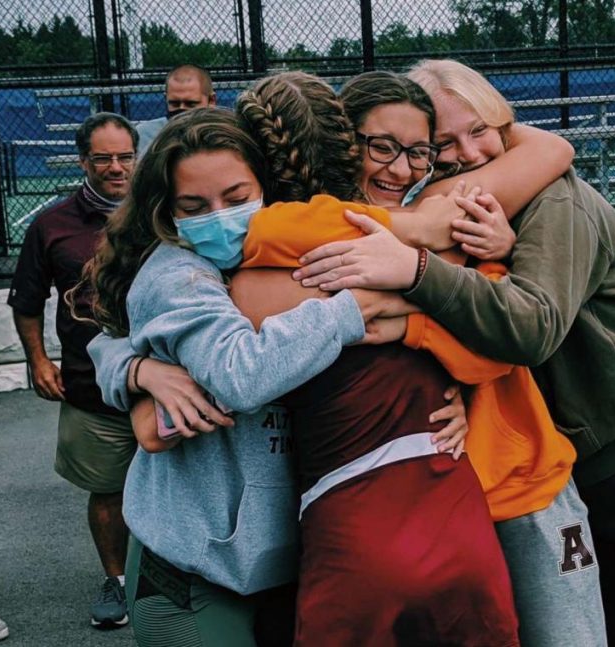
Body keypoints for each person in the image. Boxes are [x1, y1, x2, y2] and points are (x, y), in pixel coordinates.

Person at [294, 58, 615, 647]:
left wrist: (415, 272)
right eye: (445, 143)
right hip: (575, 460)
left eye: (479, 130)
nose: (469, 152)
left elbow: (529, 328)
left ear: (505, 124)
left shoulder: (553, 201)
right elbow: (470, 333)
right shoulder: (456, 208)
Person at [85, 101, 513, 646]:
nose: (219, 217)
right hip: (196, 568)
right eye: (194, 205)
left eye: (237, 199)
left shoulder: (290, 249)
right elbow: (239, 374)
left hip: (287, 559)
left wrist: (463, 392)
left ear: (268, 188)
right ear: (166, 213)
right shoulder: (178, 272)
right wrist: (361, 304)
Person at [8, 112, 139, 629]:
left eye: (124, 156)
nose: (115, 167)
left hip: (170, 384)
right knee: (106, 489)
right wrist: (37, 359)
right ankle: (119, 581)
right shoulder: (53, 224)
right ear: (83, 160)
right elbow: (26, 301)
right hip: (91, 389)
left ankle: (181, 580)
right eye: (103, 158)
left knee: (186, 486)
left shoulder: (166, 214)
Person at [136, 64, 217, 155]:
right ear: (166, 98)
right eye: (174, 104)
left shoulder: (224, 134)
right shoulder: (146, 135)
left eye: (191, 104)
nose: (182, 109)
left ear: (211, 100)